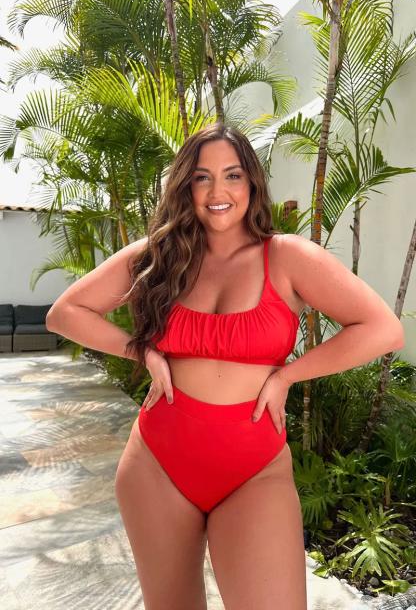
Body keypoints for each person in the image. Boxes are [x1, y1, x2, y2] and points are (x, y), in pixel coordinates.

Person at [46, 122, 405, 610]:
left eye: (232, 175)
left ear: (252, 184)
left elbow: (382, 328)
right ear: (186, 187)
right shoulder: (161, 256)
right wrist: (143, 351)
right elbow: (64, 313)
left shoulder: (287, 257)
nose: (218, 191)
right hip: (158, 463)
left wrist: (287, 375)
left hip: (253, 469)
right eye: (202, 177)